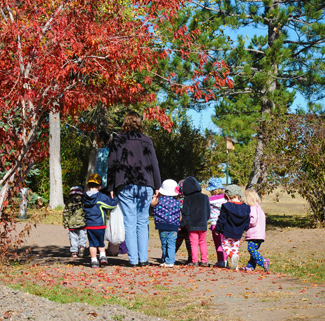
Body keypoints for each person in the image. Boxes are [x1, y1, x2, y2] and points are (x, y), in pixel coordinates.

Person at [106, 111, 161, 267]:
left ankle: (133, 260)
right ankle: (143, 259)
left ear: (125, 122)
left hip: (125, 184)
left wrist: (111, 186)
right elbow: (154, 163)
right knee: (142, 222)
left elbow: (112, 165)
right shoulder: (146, 140)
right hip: (146, 184)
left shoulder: (117, 141)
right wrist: (157, 185)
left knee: (130, 222)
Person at [83, 174, 119, 268]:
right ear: (100, 187)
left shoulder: (84, 198)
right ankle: (103, 256)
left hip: (89, 225)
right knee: (100, 242)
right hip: (100, 225)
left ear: (88, 186)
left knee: (92, 244)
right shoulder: (101, 197)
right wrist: (115, 199)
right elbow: (111, 206)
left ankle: (94, 261)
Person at [215, 184, 250, 270]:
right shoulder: (245, 207)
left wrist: (217, 229)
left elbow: (222, 219)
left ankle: (232, 256)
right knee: (235, 247)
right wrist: (245, 228)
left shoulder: (226, 206)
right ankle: (236, 266)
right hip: (238, 232)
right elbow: (247, 220)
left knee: (225, 246)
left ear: (227, 196)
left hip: (227, 231)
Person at [180, 176, 210, 267]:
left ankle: (195, 261)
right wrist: (206, 219)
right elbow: (208, 211)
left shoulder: (187, 199)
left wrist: (182, 224)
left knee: (194, 243)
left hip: (192, 225)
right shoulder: (205, 197)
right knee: (203, 242)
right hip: (202, 223)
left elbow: (185, 213)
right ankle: (204, 261)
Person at [151, 179, 181, 268]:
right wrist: (178, 223)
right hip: (174, 226)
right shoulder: (178, 202)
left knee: (164, 244)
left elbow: (152, 204)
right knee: (172, 243)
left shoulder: (159, 200)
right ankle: (170, 260)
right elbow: (180, 215)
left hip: (162, 225)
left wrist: (155, 197)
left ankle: (165, 259)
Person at [241, 189, 270, 272]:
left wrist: (245, 224)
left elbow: (253, 221)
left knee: (251, 249)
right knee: (254, 251)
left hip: (254, 234)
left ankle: (263, 261)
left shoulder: (252, 208)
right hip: (260, 234)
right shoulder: (259, 208)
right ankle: (250, 266)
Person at [206, 177, 228, 268]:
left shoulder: (209, 200)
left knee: (218, 243)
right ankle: (226, 260)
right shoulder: (226, 198)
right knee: (225, 243)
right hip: (226, 224)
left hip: (215, 224)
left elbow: (207, 212)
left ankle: (221, 261)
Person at [62, 186, 87, 258]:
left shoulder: (68, 203)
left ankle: (74, 252)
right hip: (82, 223)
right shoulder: (83, 202)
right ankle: (82, 246)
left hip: (72, 224)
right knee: (82, 236)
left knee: (73, 238)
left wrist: (65, 224)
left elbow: (65, 214)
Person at [175, 179, 192, 264]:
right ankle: (191, 257)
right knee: (190, 243)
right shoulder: (191, 201)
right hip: (189, 225)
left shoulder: (178, 202)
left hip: (179, 225)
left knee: (176, 241)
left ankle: (167, 255)